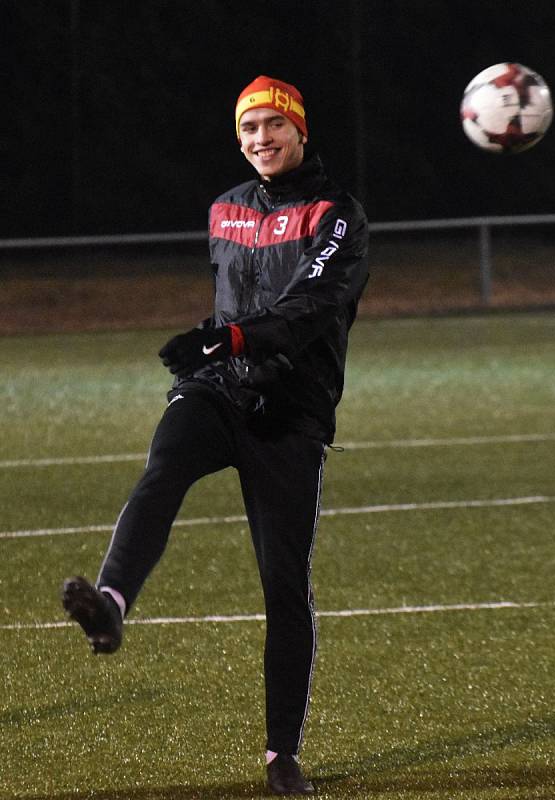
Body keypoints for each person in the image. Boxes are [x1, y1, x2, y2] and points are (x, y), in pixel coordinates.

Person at [62, 75, 369, 796]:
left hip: (292, 410)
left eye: (273, 125)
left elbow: (312, 305)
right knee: (162, 467)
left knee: (284, 585)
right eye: (249, 129)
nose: (261, 138)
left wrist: (230, 336)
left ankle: (281, 754)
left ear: (299, 130)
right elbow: (230, 296)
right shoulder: (225, 209)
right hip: (218, 392)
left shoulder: (340, 216)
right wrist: (218, 352)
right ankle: (110, 602)